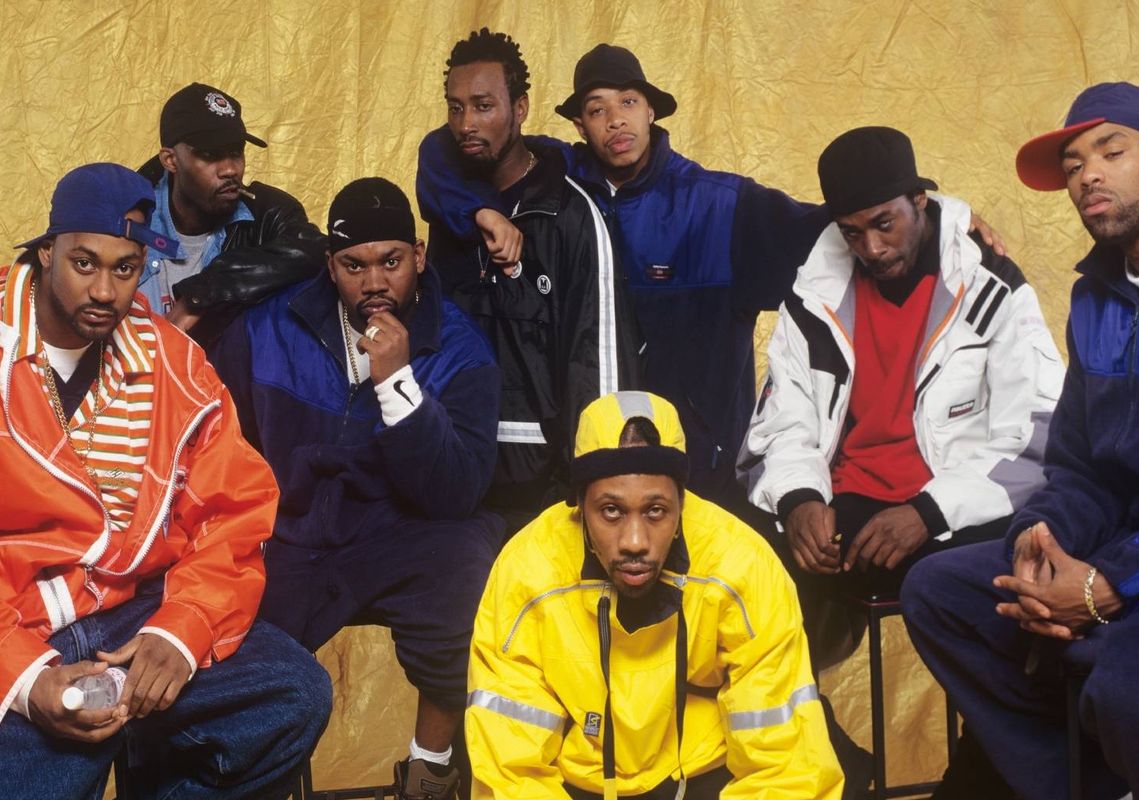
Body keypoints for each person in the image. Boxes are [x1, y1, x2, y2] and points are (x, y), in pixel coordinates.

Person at [902, 82, 1139, 800]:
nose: (1087, 175)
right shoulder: (1095, 294)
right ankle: (1093, 784)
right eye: (1071, 164)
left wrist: (1109, 585)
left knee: (1132, 682)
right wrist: (1043, 540)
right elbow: (1081, 466)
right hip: (1127, 548)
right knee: (939, 591)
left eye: (1110, 150)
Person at [0, 162, 330, 799]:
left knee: (294, 695)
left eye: (124, 269)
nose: (104, 291)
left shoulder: (173, 361)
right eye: (84, 263)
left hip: (135, 610)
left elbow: (233, 508)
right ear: (46, 252)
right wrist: (24, 678)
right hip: (21, 624)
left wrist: (181, 628)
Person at [418, 44, 830, 521]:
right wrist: (479, 212)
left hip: (700, 476)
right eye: (598, 109)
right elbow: (441, 150)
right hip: (596, 468)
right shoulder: (560, 178)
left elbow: (828, 243)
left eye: (628, 102)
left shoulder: (720, 206)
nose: (615, 121)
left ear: (651, 109)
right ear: (579, 126)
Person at [211, 176, 504, 800]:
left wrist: (398, 384)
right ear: (330, 265)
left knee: (468, 555)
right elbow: (216, 440)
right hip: (286, 533)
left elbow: (456, 492)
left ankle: (431, 767)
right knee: (227, 636)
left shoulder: (459, 349)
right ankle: (269, 772)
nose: (375, 282)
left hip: (393, 531)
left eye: (391, 262)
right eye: (355, 265)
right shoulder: (267, 328)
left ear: (419, 258)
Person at [740, 126, 1062, 666]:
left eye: (884, 224)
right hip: (850, 505)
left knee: (1020, 591)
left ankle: (989, 751)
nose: (871, 247)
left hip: (958, 502)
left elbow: (1034, 435)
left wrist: (929, 512)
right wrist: (798, 499)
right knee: (741, 562)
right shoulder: (813, 295)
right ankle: (808, 741)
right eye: (851, 232)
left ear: (920, 201)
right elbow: (784, 420)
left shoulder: (990, 283)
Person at [466, 390, 844, 799]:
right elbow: (510, 772)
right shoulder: (528, 570)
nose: (634, 541)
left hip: (708, 778)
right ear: (579, 506)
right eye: (611, 510)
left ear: (682, 505)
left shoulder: (742, 565)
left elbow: (786, 766)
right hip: (576, 785)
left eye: (655, 511)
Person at [432, 29, 643, 533]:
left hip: (541, 494)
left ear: (521, 108)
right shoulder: (448, 212)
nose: (467, 124)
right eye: (456, 108)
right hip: (455, 479)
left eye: (484, 105)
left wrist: (594, 483)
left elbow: (597, 362)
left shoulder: (570, 214)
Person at [136, 82, 326, 347]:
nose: (229, 170)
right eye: (210, 155)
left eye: (235, 152)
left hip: (220, 382)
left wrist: (203, 292)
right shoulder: (130, 213)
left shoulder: (267, 214)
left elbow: (317, 250)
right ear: (170, 160)